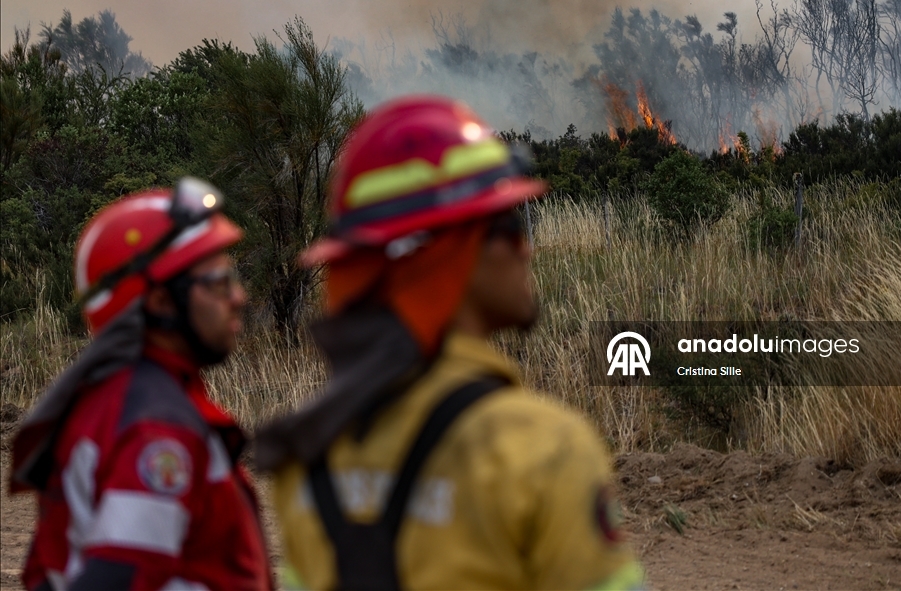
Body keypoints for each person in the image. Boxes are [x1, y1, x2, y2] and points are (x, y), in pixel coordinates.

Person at [255, 96, 644, 590]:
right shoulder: (543, 451)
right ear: (451, 253)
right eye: (511, 225)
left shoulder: (309, 455)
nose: (527, 248)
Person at [10, 177, 273, 591]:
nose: (238, 297)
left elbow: (49, 570)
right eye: (219, 282)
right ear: (161, 302)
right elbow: (118, 576)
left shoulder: (105, 400)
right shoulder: (156, 426)